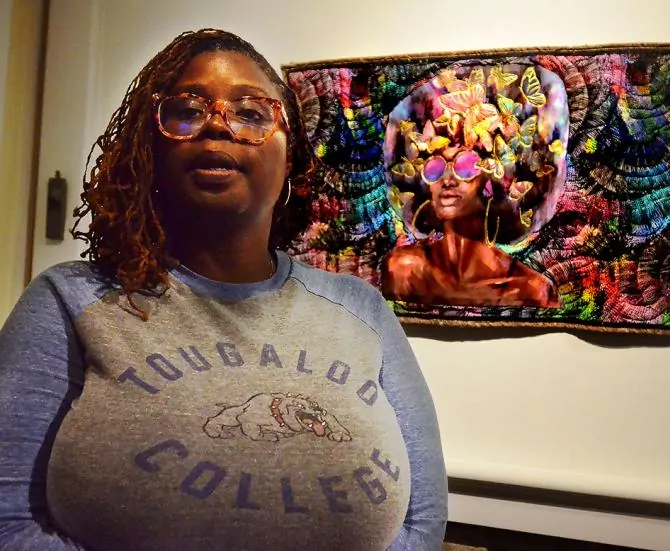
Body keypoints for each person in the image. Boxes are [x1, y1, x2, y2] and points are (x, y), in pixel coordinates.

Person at [0, 29, 447, 551]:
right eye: (186, 111)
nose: (215, 124)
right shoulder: (69, 300)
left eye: (251, 112)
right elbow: (8, 523)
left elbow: (421, 522)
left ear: (291, 157)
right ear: (150, 151)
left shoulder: (362, 309)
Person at [380, 66, 565, 309]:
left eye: (465, 165)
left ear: (492, 177)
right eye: (434, 167)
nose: (447, 180)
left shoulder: (530, 290)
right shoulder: (403, 271)